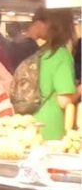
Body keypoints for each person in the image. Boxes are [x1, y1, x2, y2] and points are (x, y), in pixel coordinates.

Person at [31, 10, 78, 141]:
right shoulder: (61, 55)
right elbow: (64, 101)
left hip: (31, 121)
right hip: (50, 126)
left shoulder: (42, 53)